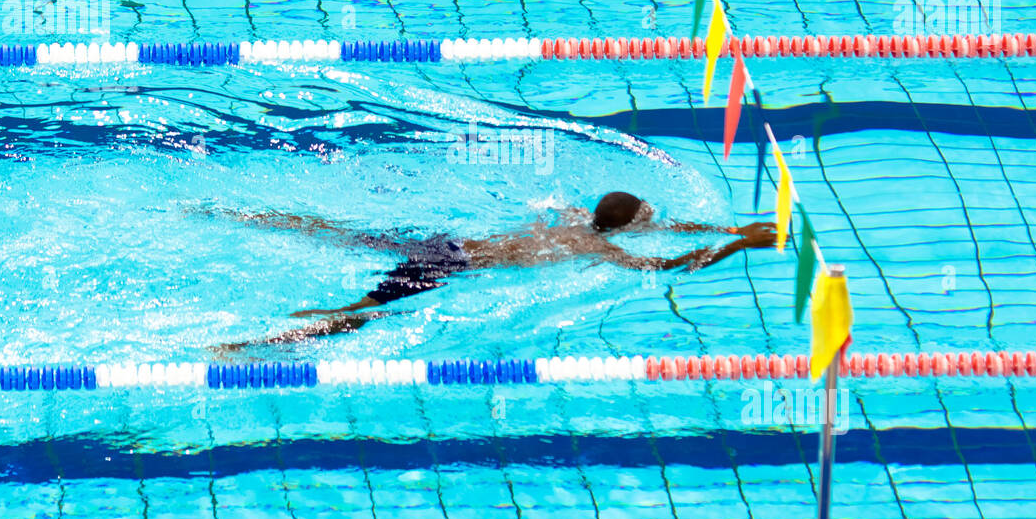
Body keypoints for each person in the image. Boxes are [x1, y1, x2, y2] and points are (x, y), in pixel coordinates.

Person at [207, 192, 776, 349]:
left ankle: (254, 216)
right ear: (625, 228)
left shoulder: (578, 219)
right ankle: (256, 341)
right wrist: (739, 247)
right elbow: (667, 266)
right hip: (448, 266)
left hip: (449, 242)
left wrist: (726, 230)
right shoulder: (598, 250)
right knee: (361, 315)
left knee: (345, 237)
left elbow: (653, 231)